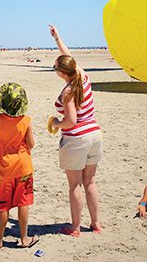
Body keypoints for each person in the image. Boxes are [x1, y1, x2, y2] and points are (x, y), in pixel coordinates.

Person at [48, 25, 102, 236]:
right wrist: (57, 38)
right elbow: (67, 56)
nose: (55, 71)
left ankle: (75, 227)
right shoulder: (82, 75)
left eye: (55, 68)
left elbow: (71, 121)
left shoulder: (68, 91)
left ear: (63, 73)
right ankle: (96, 224)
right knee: (90, 181)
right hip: (95, 135)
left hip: (77, 138)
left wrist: (55, 123)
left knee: (74, 185)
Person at [0, 83, 38, 249]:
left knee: (3, 205)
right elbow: (31, 144)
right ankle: (24, 238)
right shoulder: (26, 120)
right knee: (23, 202)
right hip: (23, 167)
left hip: (5, 168)